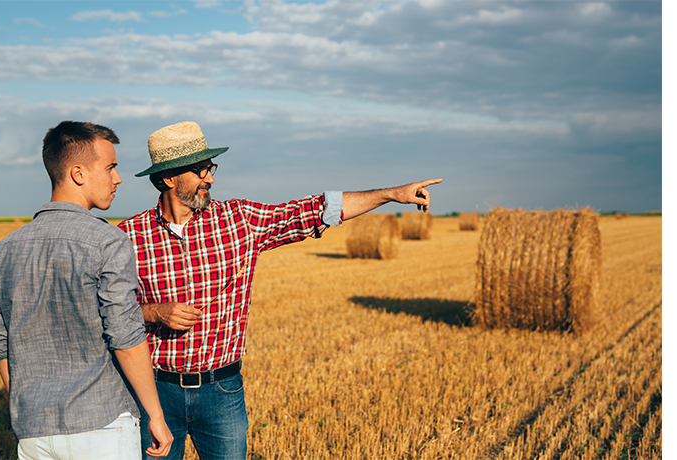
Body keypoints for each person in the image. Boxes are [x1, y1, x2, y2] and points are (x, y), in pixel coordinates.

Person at [117, 121, 441, 460]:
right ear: (170, 178)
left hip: (222, 391)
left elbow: (313, 211)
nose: (210, 178)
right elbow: (107, 309)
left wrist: (390, 194)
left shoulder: (238, 220)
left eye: (210, 168)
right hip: (155, 392)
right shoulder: (128, 236)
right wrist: (154, 312)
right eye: (200, 170)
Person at [0, 121, 174, 460]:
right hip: (101, 425)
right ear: (78, 173)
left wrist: (27, 412)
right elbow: (126, 336)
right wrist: (155, 415)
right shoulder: (108, 241)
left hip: (34, 433)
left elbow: (0, 341)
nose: (118, 178)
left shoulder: (4, 250)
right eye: (111, 167)